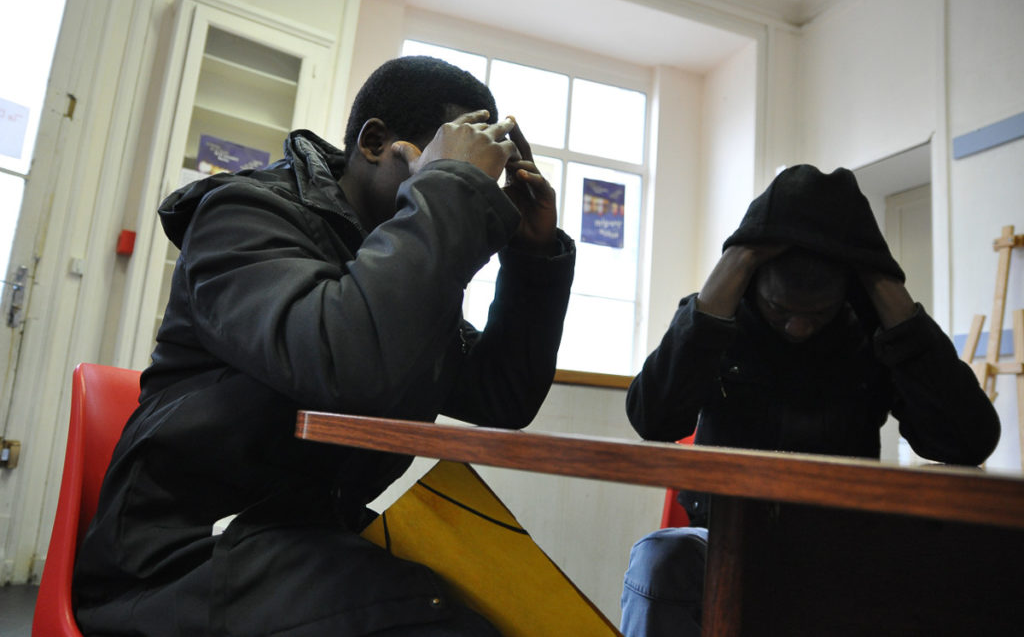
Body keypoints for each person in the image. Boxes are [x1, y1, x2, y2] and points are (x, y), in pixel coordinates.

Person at [73, 56, 576, 636]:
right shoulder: (241, 216)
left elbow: (502, 396)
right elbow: (346, 361)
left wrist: (532, 259)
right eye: (448, 164)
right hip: (181, 556)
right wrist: (449, 194)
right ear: (374, 142)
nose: (467, 187)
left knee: (522, 613)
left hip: (301, 537)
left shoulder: (397, 271)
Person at [619, 164, 1000, 637]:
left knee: (964, 564)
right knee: (661, 561)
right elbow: (652, 418)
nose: (798, 326)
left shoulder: (873, 336)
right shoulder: (717, 322)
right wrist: (735, 260)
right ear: (751, 280)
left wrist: (883, 285)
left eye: (816, 313)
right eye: (781, 310)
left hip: (844, 546)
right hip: (721, 541)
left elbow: (969, 440)